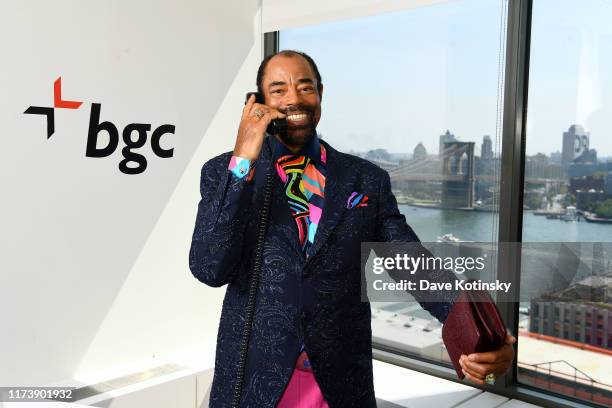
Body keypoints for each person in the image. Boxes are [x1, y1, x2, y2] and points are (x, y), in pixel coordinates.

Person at [189, 50, 516, 408]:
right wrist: (244, 161)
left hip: (339, 382)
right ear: (258, 102)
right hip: (254, 378)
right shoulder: (224, 173)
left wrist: (476, 328)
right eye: (279, 90)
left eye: (305, 87)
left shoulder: (365, 179)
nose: (294, 99)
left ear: (320, 94)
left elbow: (410, 261)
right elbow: (209, 267)